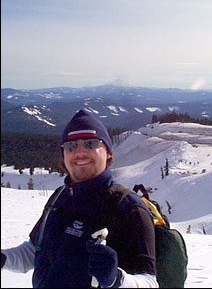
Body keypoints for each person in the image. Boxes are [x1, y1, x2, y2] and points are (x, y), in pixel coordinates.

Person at [1, 109, 158, 288]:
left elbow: (150, 283)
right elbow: (35, 251)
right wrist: (4, 258)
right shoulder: (60, 197)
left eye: (90, 144)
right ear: (64, 155)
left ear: (107, 152)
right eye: (71, 146)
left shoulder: (128, 208)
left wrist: (116, 278)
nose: (80, 152)